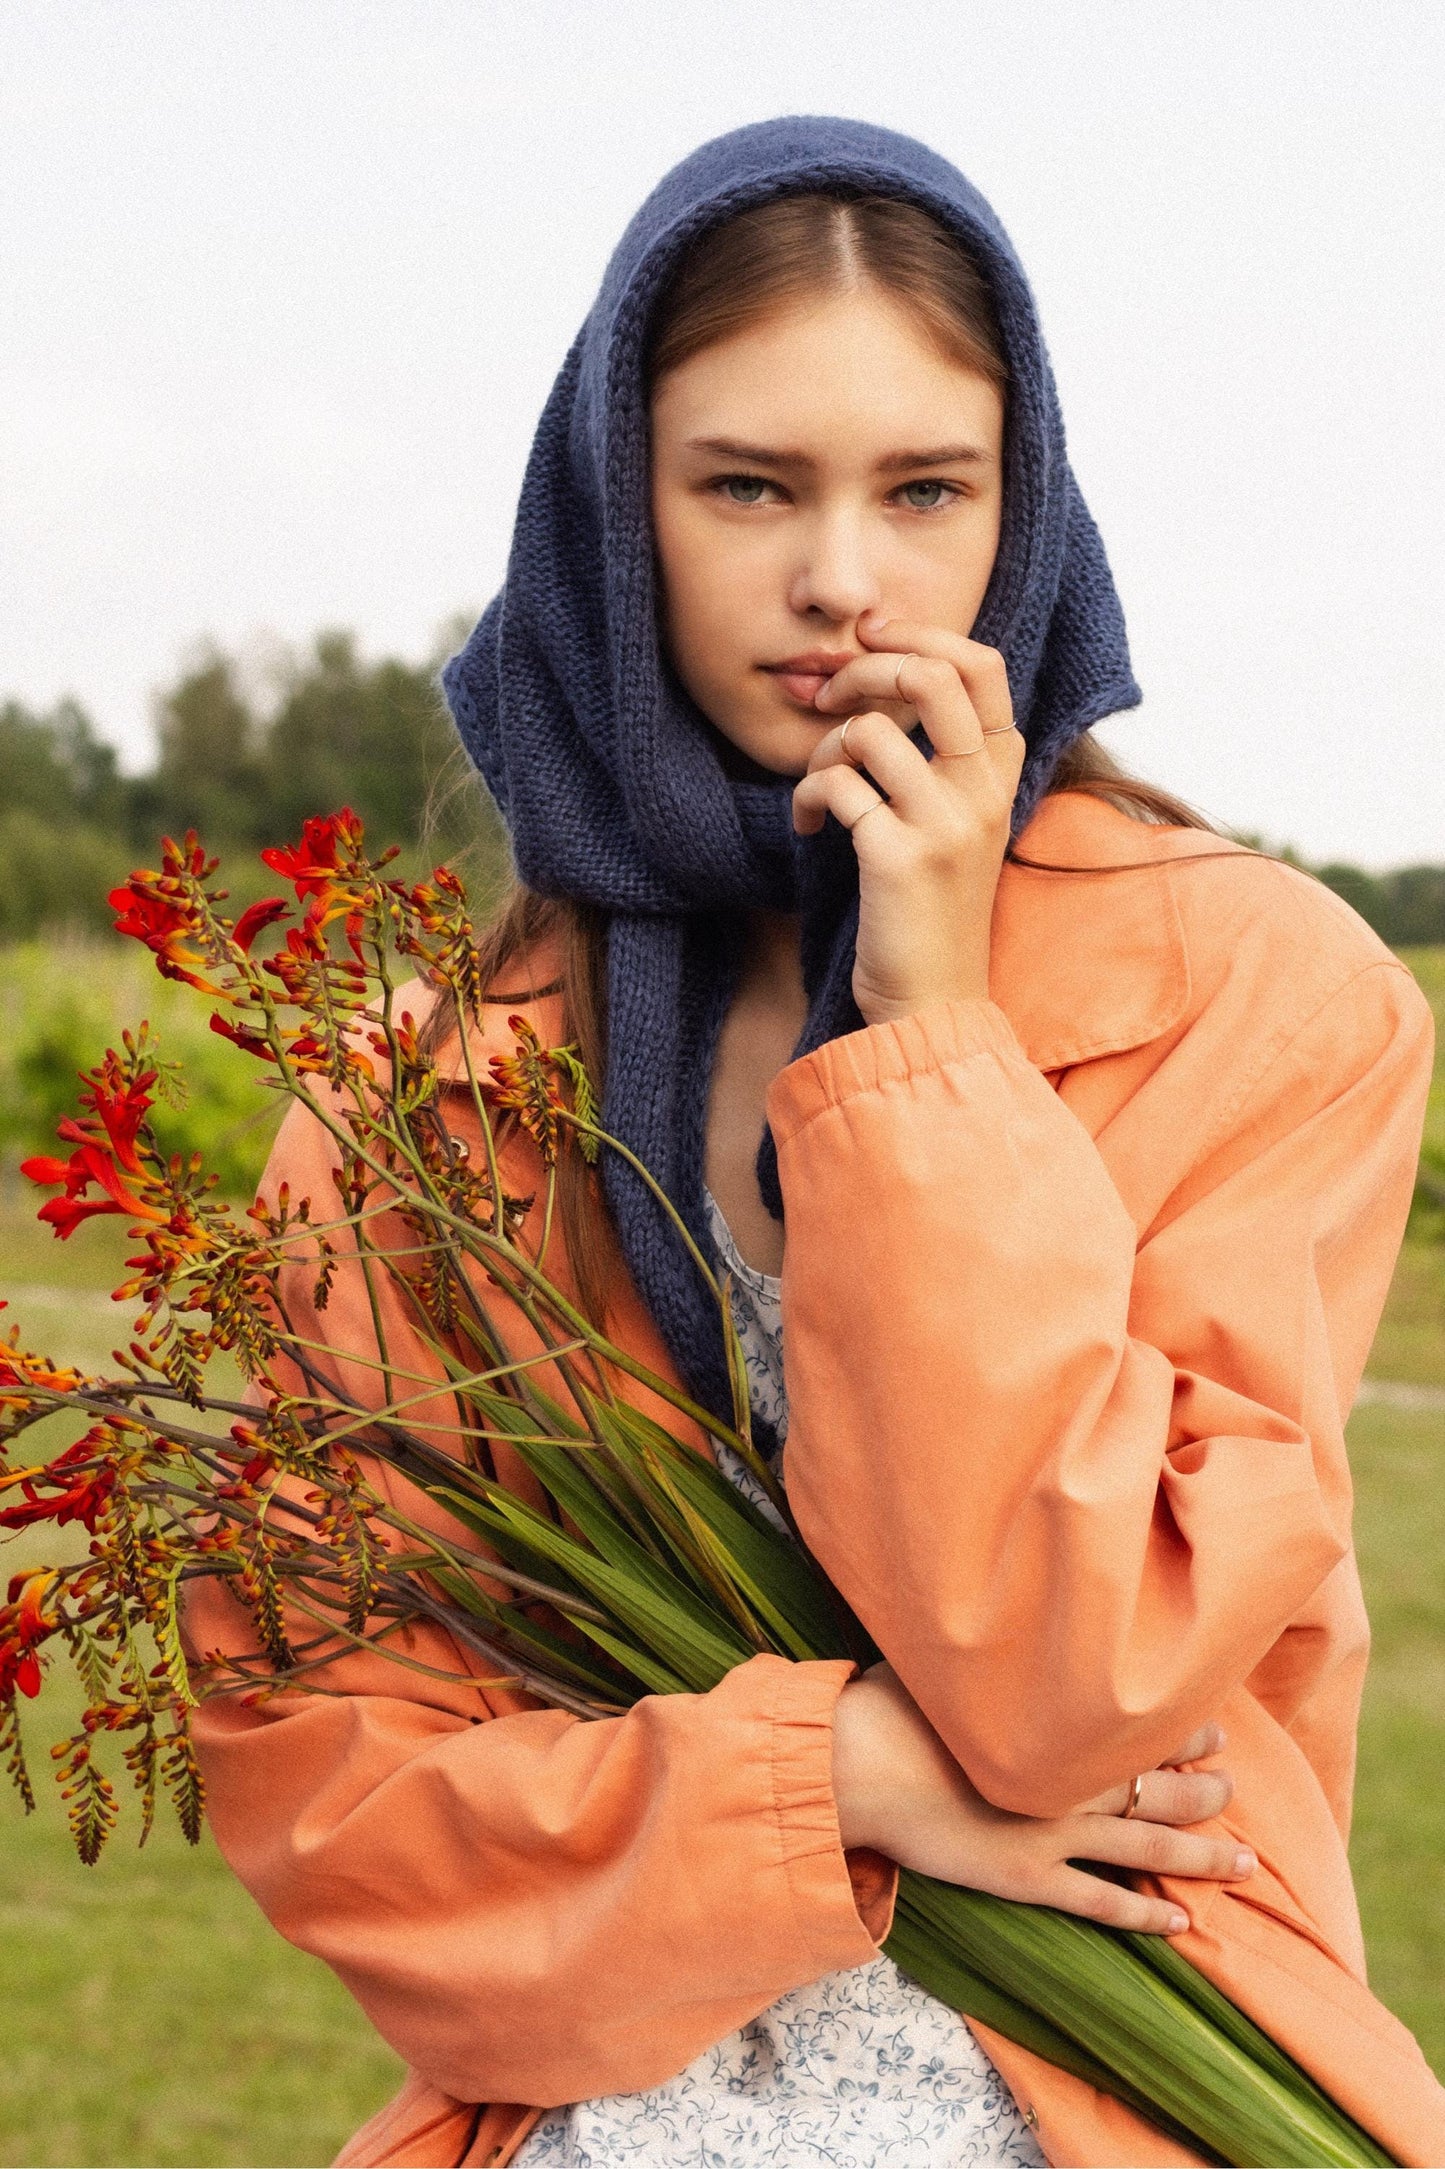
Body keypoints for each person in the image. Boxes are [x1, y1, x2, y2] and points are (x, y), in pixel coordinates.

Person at [185, 119, 1445, 2167]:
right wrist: (833, 1775)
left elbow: (1070, 1672)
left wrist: (931, 1029)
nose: (842, 578)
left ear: (1020, 521)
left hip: (1134, 2103)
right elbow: (336, 1784)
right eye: (747, 485)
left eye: (927, 489)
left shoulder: (1264, 997)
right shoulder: (425, 1108)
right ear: (617, 509)